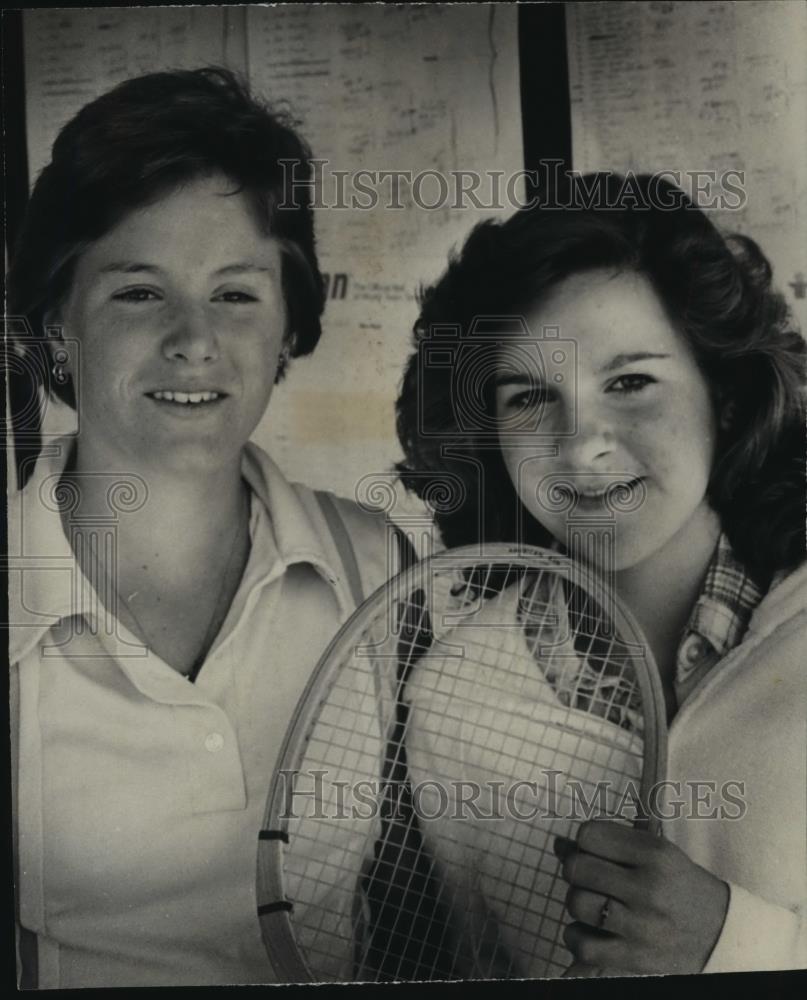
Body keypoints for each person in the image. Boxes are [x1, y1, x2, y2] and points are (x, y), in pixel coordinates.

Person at [7, 68, 399, 988]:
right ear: (57, 327)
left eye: (235, 294)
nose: (195, 339)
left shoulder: (383, 569)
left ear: (287, 327)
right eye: (139, 293)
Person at [394, 172, 807, 975]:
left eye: (630, 383)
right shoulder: (452, 701)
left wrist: (731, 946)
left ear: (720, 393)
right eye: (527, 397)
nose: (582, 446)